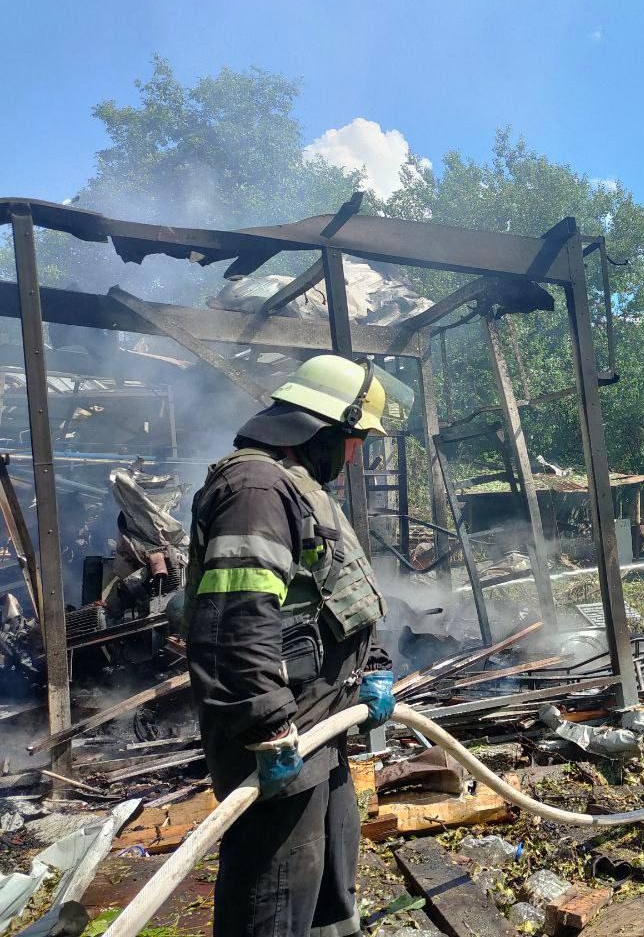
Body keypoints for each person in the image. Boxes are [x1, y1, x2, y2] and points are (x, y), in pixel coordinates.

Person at [185, 355, 397, 937]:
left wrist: (372, 665)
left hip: (320, 729)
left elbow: (332, 596)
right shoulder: (256, 488)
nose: (357, 454)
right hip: (283, 735)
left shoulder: (296, 488)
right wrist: (265, 723)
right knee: (275, 897)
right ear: (323, 427)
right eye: (355, 439)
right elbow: (235, 618)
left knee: (329, 879)